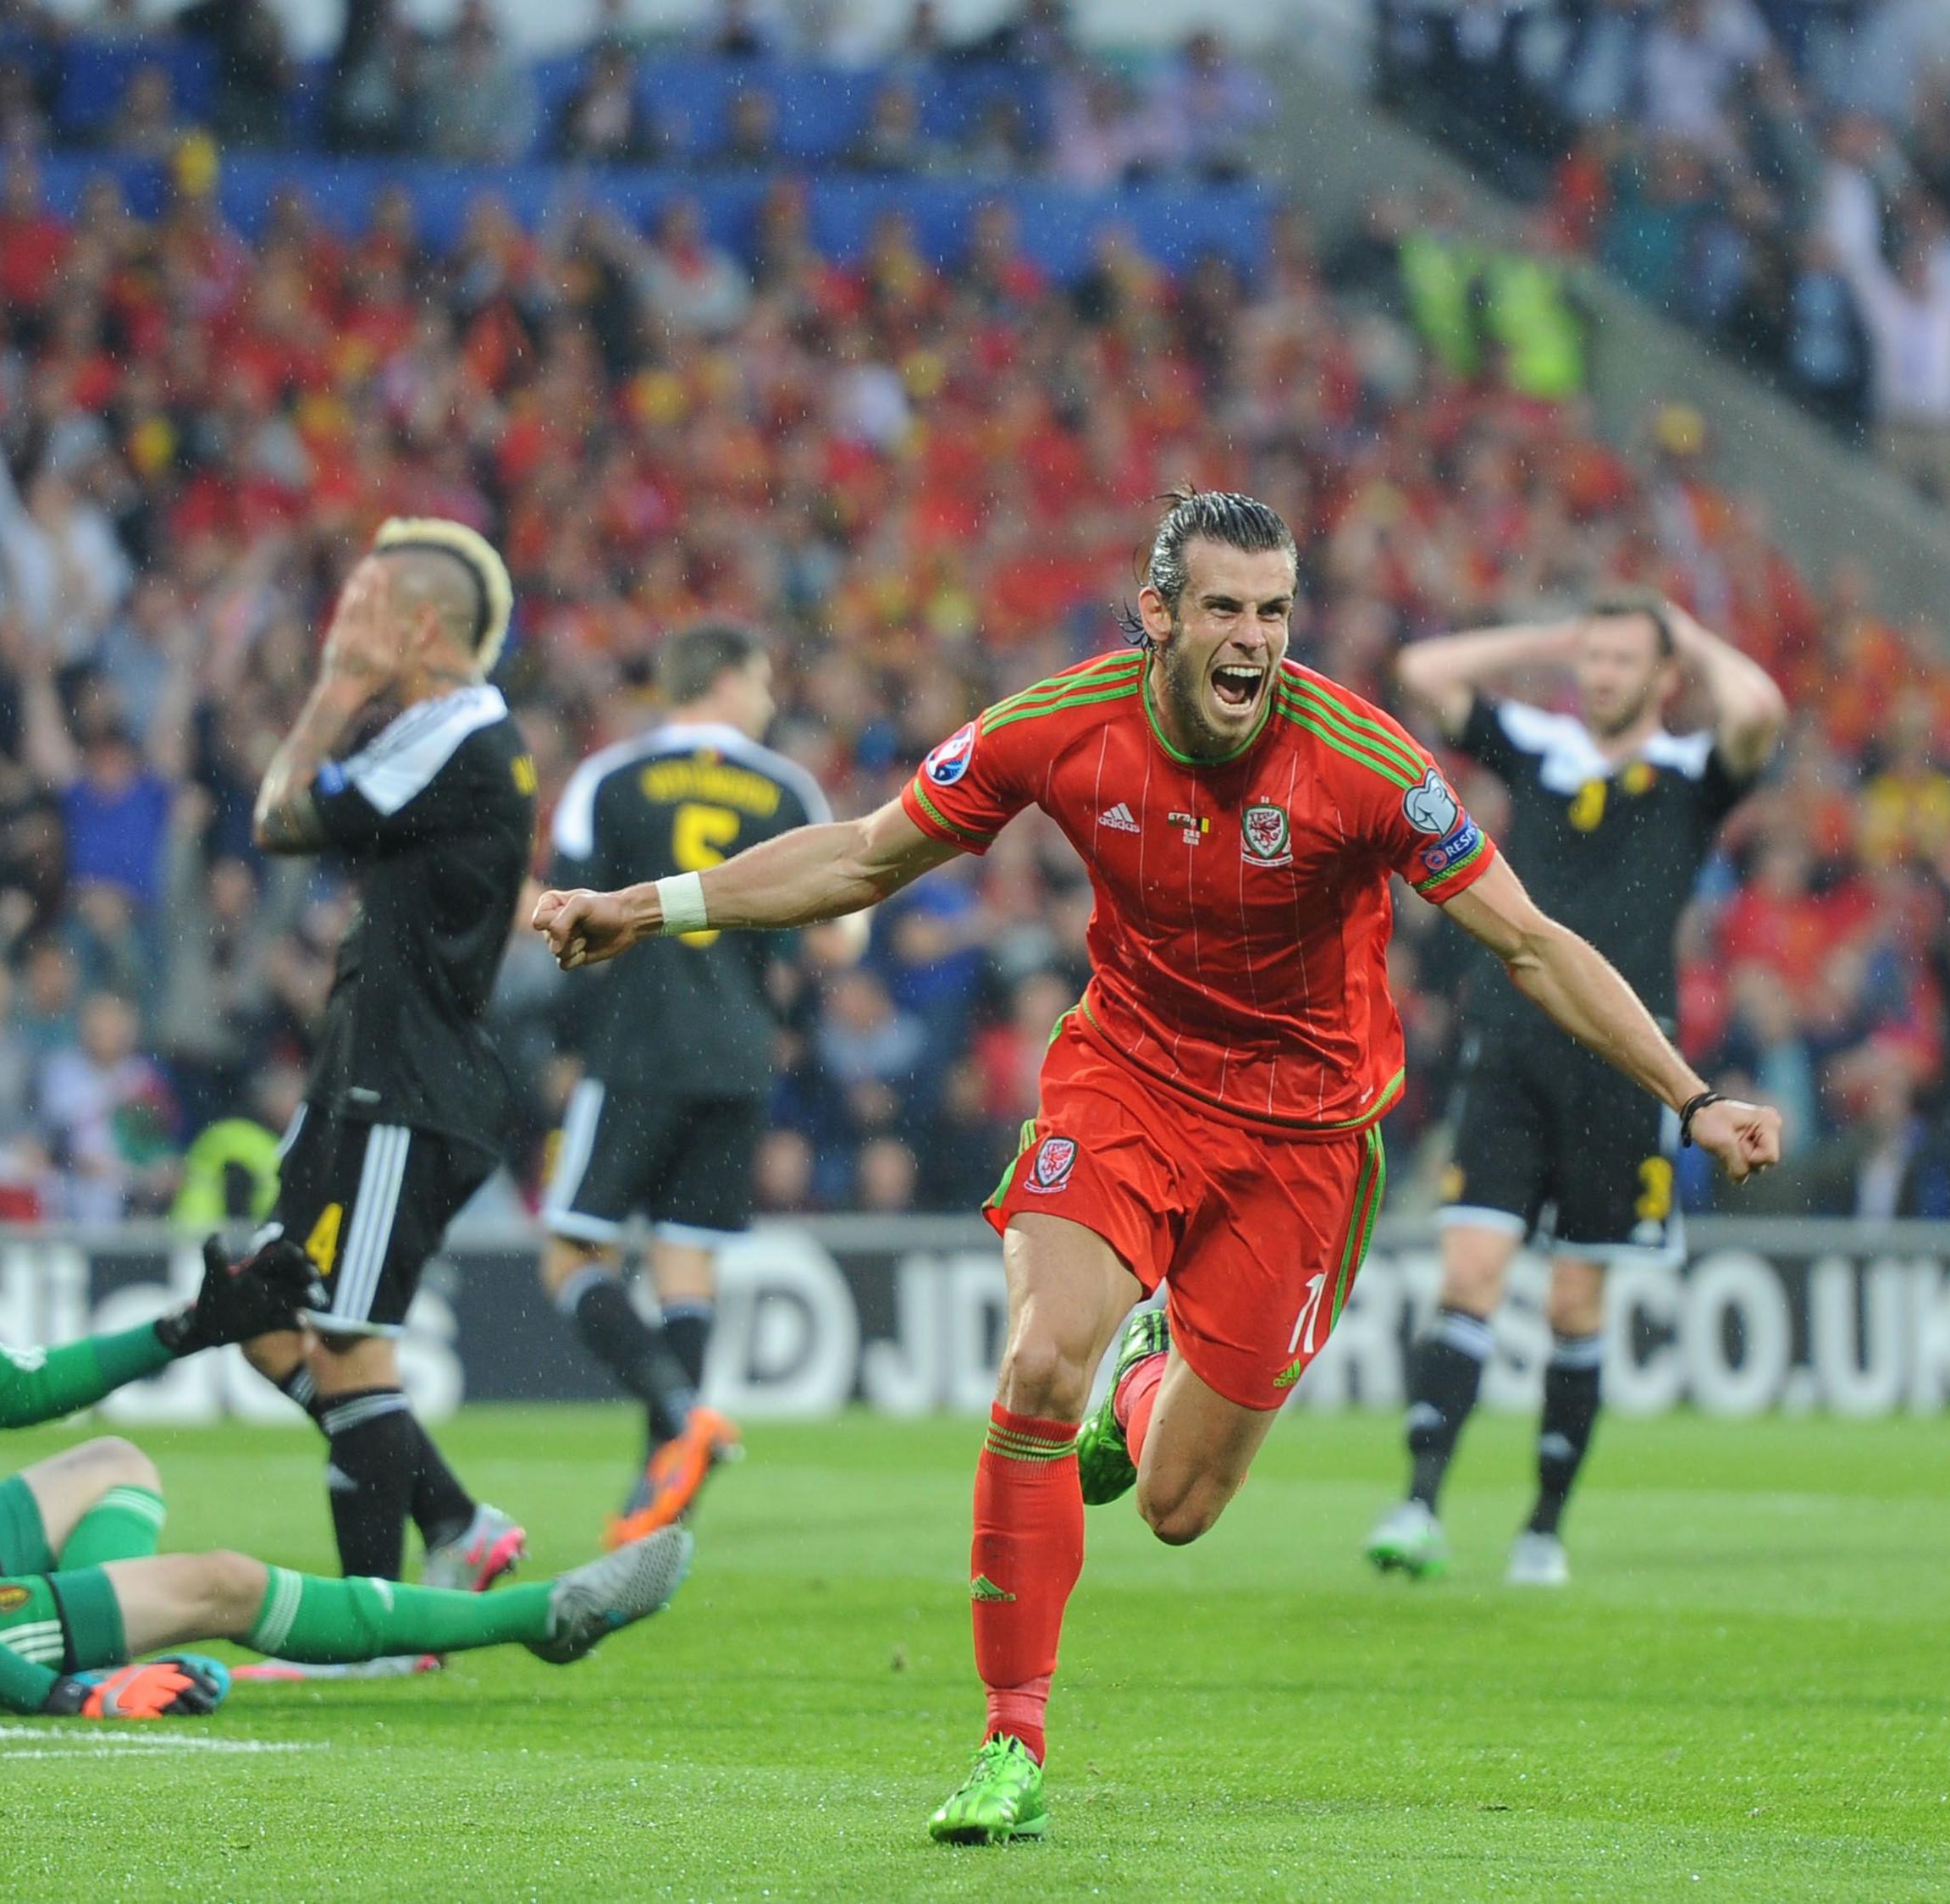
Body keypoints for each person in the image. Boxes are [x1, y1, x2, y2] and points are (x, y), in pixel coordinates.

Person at [529, 491, 1784, 1845]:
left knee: (1179, 1505)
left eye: (1274, 611)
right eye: (1227, 610)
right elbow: (864, 853)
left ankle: (1143, 1378)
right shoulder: (1057, 726)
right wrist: (649, 906)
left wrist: (1693, 1094)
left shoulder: (1361, 759)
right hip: (1127, 1083)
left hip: (1305, 1140)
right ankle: (1012, 1739)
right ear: (1161, 617)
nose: (1254, 640)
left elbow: (1531, 942)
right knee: (1035, 1360)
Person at [0, 1117, 688, 1716]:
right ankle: (539, 1617)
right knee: (223, 1582)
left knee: (116, 1461)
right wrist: (68, 1694)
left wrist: (191, 1328)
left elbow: (11, 1389)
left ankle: (102, 1622)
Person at [1363, 594, 1785, 1587]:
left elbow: (1759, 705)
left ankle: (1543, 1525)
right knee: (1469, 1271)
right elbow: (1423, 669)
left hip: (1626, 1061)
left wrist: (1694, 631)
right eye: (1588, 656)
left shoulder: (1690, 776)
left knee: (1573, 1296)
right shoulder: (1543, 747)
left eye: (1619, 658)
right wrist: (1546, 640)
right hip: (1511, 1039)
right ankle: (1420, 1501)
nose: (1597, 673)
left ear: (1664, 675)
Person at [243, 520, 539, 1596]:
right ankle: (451, 1515)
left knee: (347, 1336)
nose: (339, 626)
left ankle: (376, 1623)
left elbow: (279, 818)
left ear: (419, 623)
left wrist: (330, 689)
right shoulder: (436, 734)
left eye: (359, 604)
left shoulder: (457, 729)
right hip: (364, 1074)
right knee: (255, 1306)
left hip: (406, 1084)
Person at [538, 622, 858, 1547]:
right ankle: (654, 1493)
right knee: (687, 1265)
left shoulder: (612, 778)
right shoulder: (786, 786)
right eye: (760, 679)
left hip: (638, 1046)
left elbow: (558, 911)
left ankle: (678, 1416)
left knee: (569, 1258)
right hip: (738, 1054)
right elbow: (838, 934)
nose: (767, 698)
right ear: (722, 679)